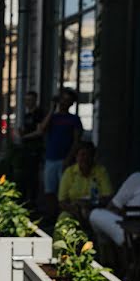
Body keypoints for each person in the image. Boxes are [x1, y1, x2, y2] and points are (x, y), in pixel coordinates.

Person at [36, 87, 83, 220]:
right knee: (49, 190)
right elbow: (42, 129)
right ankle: (52, 216)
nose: (64, 103)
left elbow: (76, 140)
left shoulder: (74, 119)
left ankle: (63, 216)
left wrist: (69, 158)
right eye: (62, 99)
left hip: (65, 159)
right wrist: (52, 109)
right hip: (51, 158)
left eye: (68, 100)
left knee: (64, 191)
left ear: (72, 103)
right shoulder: (53, 118)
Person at [58, 141, 112, 222]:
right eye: (82, 154)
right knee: (64, 219)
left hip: (96, 210)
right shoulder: (69, 172)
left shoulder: (101, 171)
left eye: (89, 155)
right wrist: (75, 210)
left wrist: (87, 204)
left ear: (93, 157)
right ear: (76, 157)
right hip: (74, 210)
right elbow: (62, 201)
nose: (86, 158)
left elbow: (108, 197)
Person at [17, 91, 46, 201]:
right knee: (24, 175)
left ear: (35, 100)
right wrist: (22, 133)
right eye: (26, 100)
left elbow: (40, 131)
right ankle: (24, 199)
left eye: (30, 100)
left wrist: (25, 136)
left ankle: (32, 201)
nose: (28, 103)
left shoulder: (38, 113)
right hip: (26, 148)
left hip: (34, 148)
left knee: (32, 176)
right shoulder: (27, 115)